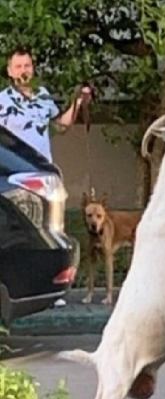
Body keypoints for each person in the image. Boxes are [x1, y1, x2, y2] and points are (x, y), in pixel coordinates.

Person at [1, 46, 92, 307]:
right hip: (15, 177)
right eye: (18, 67)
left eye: (27, 66)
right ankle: (29, 288)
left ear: (33, 68)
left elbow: (61, 125)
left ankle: (52, 286)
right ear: (9, 71)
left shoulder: (42, 97)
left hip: (41, 175)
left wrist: (77, 103)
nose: (23, 71)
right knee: (24, 234)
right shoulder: (2, 100)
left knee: (51, 230)